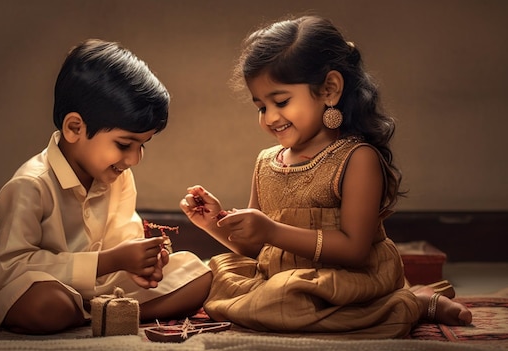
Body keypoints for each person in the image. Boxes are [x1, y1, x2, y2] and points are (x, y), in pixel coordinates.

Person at [179, 15, 472, 338]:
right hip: (283, 282)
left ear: (329, 90)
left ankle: (410, 302)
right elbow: (258, 251)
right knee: (219, 278)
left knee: (281, 298)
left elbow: (354, 249)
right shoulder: (266, 162)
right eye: (261, 107)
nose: (270, 118)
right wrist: (213, 223)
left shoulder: (356, 159)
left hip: (345, 281)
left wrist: (271, 230)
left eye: (281, 102)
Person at [0, 39, 212, 334]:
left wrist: (143, 263)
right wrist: (108, 261)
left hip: (101, 286)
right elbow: (8, 268)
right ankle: (104, 313)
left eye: (142, 146)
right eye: (124, 144)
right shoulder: (30, 185)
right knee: (49, 305)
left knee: (198, 274)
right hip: (29, 287)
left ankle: (101, 313)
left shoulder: (118, 176)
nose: (134, 159)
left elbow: (123, 238)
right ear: (75, 128)